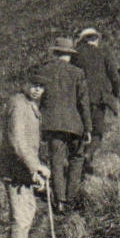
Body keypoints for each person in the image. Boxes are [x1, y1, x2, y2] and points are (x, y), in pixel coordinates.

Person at [0, 70, 49, 238]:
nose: (37, 90)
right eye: (34, 84)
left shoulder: (28, 104)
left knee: (27, 213)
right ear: (24, 84)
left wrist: (36, 166)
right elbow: (17, 143)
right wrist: (35, 167)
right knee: (21, 218)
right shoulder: (18, 105)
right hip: (15, 170)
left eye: (41, 86)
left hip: (23, 169)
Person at [38, 37, 90, 213]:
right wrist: (88, 127)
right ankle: (71, 197)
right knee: (76, 158)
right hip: (75, 124)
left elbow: (37, 99)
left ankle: (60, 200)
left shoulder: (44, 71)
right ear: (69, 54)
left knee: (56, 162)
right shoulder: (77, 73)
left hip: (52, 124)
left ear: (55, 53)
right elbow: (83, 103)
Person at [72, 27, 120, 177]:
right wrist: (117, 90)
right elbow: (113, 73)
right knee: (98, 131)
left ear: (83, 39)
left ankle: (78, 160)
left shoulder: (76, 54)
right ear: (96, 39)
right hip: (99, 98)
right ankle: (89, 154)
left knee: (83, 130)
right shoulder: (104, 51)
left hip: (80, 98)